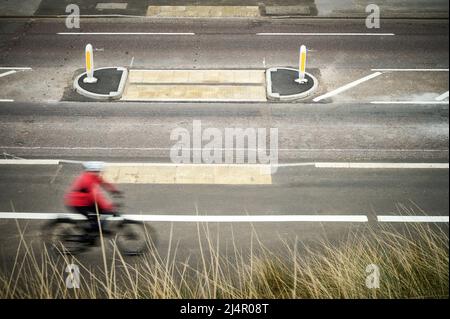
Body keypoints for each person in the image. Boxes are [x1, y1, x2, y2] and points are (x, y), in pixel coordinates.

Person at [64, 161, 122, 236]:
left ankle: (93, 230)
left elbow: (104, 183)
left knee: (99, 214)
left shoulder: (92, 176)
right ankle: (89, 235)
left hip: (83, 201)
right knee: (96, 216)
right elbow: (95, 197)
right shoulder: (87, 180)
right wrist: (108, 207)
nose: (100, 172)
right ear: (94, 171)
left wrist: (114, 190)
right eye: (99, 171)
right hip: (77, 203)